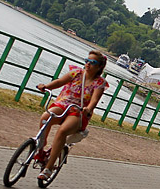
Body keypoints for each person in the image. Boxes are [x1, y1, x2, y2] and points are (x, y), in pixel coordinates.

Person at [34, 50, 109, 179]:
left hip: (78, 111)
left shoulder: (99, 83)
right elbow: (59, 82)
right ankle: (41, 145)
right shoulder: (76, 73)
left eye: (92, 62)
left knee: (62, 131)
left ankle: (48, 168)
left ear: (99, 67)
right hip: (63, 104)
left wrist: (88, 109)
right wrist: (46, 86)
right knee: (45, 118)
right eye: (87, 61)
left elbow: (94, 100)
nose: (88, 64)